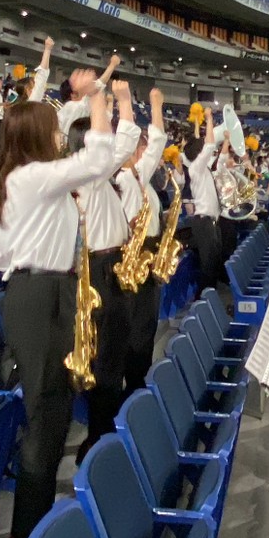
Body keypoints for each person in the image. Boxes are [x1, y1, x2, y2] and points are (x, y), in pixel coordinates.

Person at [0, 81, 133, 538]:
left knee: (55, 414)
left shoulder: (23, 181)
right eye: (54, 130)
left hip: (45, 293)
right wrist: (98, 100)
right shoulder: (31, 178)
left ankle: (34, 534)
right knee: (45, 421)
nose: (60, 137)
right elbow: (97, 157)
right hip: (42, 298)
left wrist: (27, 253)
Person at [68, 83, 143, 461]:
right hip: (100, 270)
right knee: (107, 359)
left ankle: (103, 432)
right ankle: (99, 440)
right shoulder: (89, 175)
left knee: (115, 354)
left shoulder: (93, 178)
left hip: (110, 266)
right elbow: (126, 141)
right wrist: (118, 101)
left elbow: (124, 142)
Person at [116, 88, 167, 395]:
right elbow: (158, 142)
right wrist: (156, 106)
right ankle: (133, 385)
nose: (148, 154)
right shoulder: (126, 179)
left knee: (145, 325)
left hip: (148, 253)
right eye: (143, 148)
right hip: (135, 257)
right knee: (138, 326)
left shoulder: (139, 180)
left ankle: (137, 379)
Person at [182, 108, 224, 292]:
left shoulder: (201, 168)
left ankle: (210, 296)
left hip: (209, 222)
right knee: (208, 265)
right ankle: (206, 297)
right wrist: (208, 118)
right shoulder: (196, 168)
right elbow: (208, 145)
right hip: (203, 222)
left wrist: (226, 141)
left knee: (213, 262)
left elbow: (215, 153)